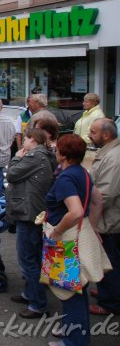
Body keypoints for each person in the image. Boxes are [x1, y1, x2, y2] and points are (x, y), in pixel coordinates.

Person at [44, 134, 110, 346]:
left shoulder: (65, 177)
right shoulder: (82, 172)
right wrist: (92, 225)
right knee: (77, 290)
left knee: (69, 292)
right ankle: (73, 333)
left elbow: (75, 211)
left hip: (66, 240)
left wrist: (56, 233)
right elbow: (97, 200)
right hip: (79, 235)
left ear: (63, 155)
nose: (55, 153)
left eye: (57, 150)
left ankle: (74, 341)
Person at [5, 128, 57, 319]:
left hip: (29, 213)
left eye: (25, 139)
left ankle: (38, 305)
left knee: (28, 260)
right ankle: (31, 294)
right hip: (35, 211)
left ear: (32, 140)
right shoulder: (46, 155)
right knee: (33, 257)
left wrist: (17, 157)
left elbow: (11, 174)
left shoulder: (34, 156)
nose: (22, 143)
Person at [87, 118, 120, 316]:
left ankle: (110, 303)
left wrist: (92, 223)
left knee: (110, 262)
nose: (89, 134)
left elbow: (104, 195)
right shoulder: (109, 152)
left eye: (93, 131)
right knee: (108, 260)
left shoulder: (114, 158)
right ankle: (106, 293)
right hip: (109, 218)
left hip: (110, 221)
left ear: (106, 135)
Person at [74, 93, 105, 168]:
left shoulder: (97, 115)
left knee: (86, 168)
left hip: (89, 149)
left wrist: (77, 141)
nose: (83, 103)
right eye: (84, 101)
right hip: (81, 146)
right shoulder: (87, 113)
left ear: (94, 103)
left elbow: (92, 134)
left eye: (86, 101)